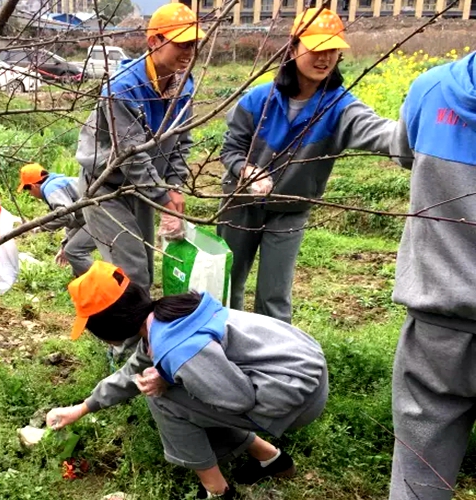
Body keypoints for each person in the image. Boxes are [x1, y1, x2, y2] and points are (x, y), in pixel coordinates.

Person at [47, 261, 328, 498]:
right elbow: (130, 373)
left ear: (109, 326)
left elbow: (238, 399)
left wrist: (167, 381)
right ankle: (271, 460)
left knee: (163, 398)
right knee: (166, 385)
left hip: (297, 395)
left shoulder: (175, 347)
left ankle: (217, 491)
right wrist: (82, 408)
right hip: (301, 368)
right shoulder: (163, 318)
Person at [218, 8, 396, 323]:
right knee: (227, 285)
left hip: (291, 211)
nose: (324, 58)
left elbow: (380, 132)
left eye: (332, 50)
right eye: (316, 48)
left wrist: (420, 137)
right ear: (293, 48)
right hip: (240, 204)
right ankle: (225, 350)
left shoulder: (340, 108)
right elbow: (232, 148)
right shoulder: (259, 99)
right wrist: (246, 171)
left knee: (274, 297)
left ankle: (273, 361)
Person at [76, 3, 202, 359]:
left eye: (194, 45)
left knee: (142, 267)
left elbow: (182, 141)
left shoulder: (184, 85)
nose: (188, 52)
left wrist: (174, 186)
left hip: (145, 187)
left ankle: (138, 343)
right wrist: (165, 199)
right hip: (106, 186)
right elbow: (131, 155)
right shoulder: (123, 88)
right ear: (155, 41)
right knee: (132, 272)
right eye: (181, 44)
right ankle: (128, 351)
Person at [388, 51, 476, 500]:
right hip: (437, 328)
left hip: (439, 322)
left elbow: (402, 152)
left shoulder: (432, 88)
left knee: (419, 475)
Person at [17, 163, 96, 276]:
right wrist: (64, 246)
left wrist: (39, 227)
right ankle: (82, 284)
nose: (30, 194)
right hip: (95, 215)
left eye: (27, 190)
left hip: (101, 217)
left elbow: (65, 216)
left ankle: (104, 285)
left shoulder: (51, 188)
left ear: (33, 186)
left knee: (74, 252)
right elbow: (73, 221)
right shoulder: (59, 183)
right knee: (70, 252)